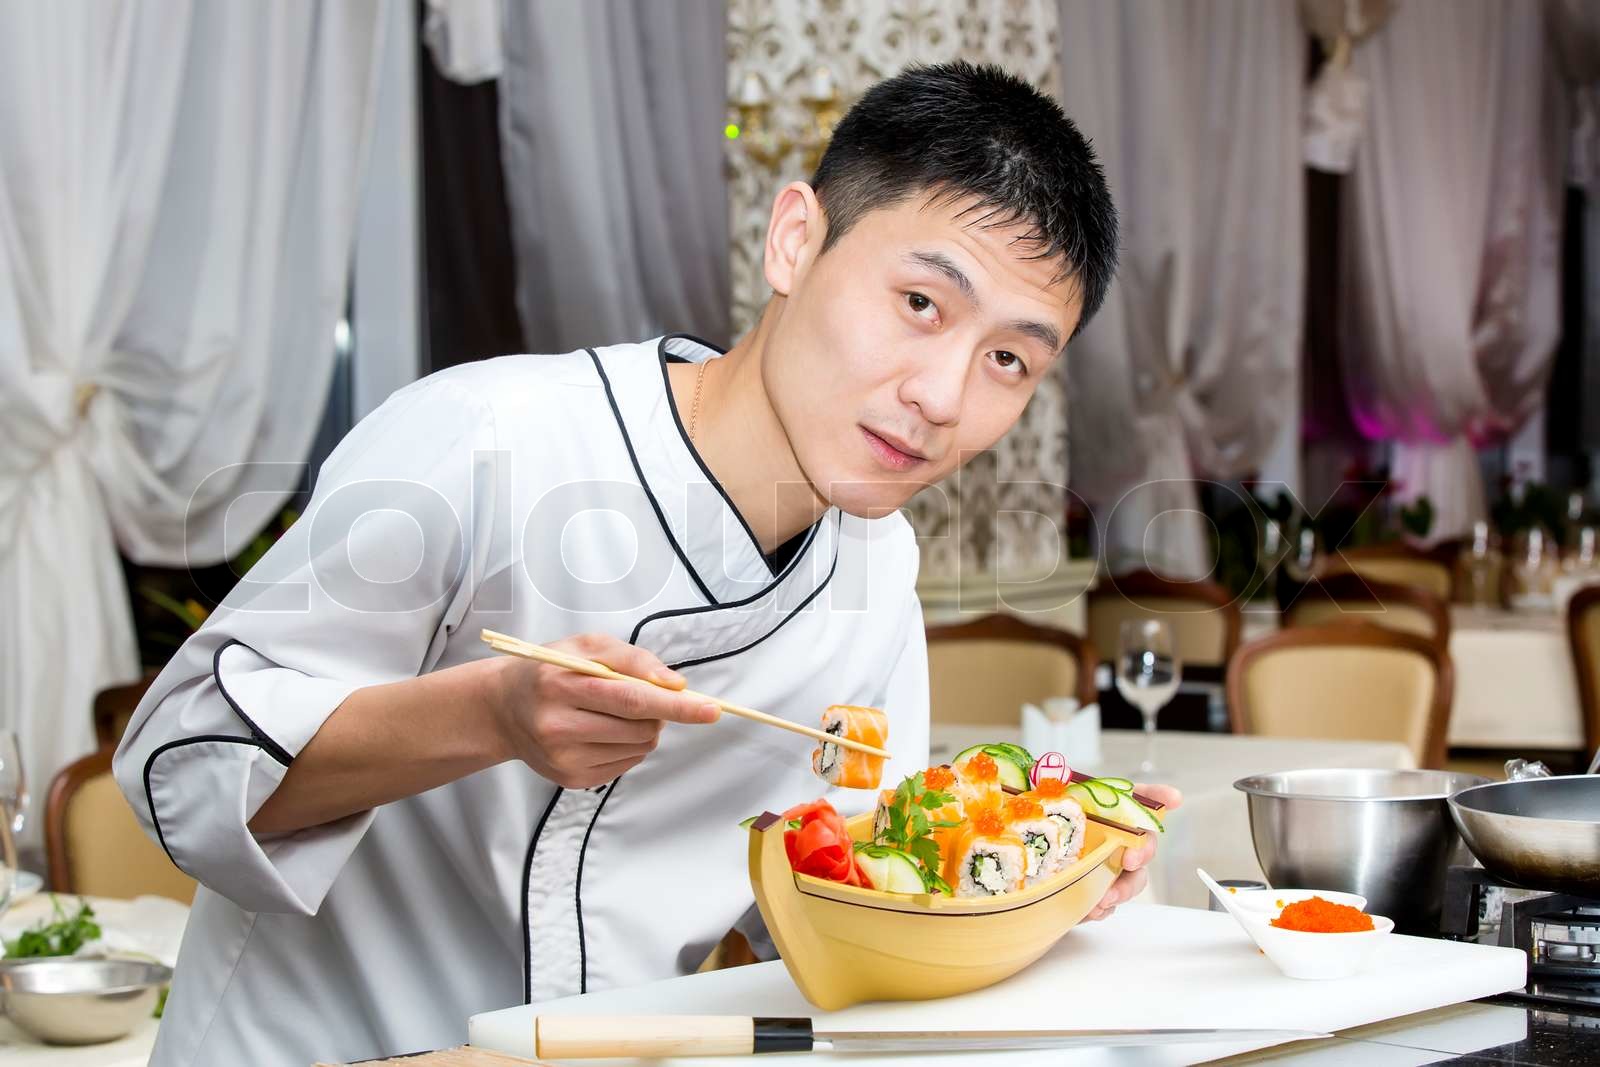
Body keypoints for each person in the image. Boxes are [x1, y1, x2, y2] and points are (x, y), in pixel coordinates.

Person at [115, 61, 1177, 1066]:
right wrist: (491, 716)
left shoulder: (873, 566)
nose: (943, 396)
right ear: (795, 243)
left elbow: (847, 911)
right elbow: (182, 769)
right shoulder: (488, 436)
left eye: (1007, 359)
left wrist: (1035, 868)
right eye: (919, 304)